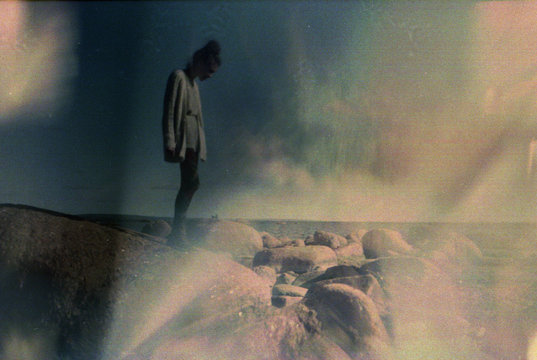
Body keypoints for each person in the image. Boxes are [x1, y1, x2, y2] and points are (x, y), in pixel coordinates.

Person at [162, 40, 221, 247]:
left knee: (191, 183)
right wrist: (170, 139)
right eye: (210, 69)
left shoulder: (195, 85)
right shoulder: (178, 77)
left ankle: (178, 232)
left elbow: (199, 120)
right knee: (191, 183)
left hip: (194, 140)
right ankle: (178, 233)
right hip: (183, 139)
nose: (211, 75)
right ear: (200, 61)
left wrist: (201, 147)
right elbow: (169, 111)